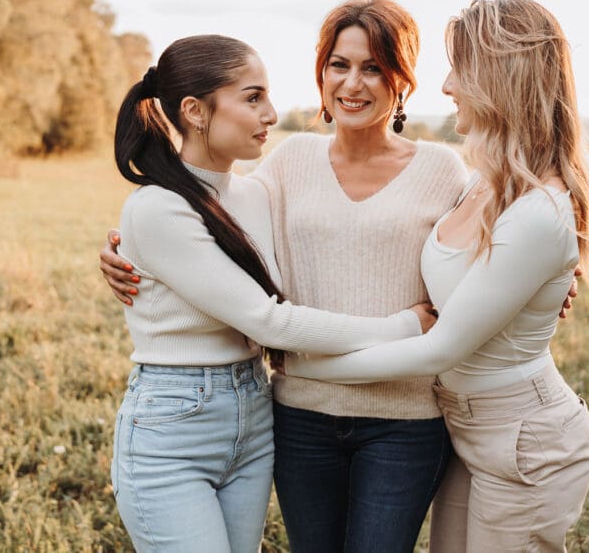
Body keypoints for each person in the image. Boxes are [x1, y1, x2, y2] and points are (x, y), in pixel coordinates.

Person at [101, 0, 579, 552]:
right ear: (322, 73)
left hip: (405, 420)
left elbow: (493, 254)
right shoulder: (286, 163)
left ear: (402, 79)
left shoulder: (444, 170)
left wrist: (549, 290)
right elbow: (208, 210)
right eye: (339, 64)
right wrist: (122, 248)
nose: (353, 83)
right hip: (299, 417)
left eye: (373, 66)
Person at [282, 0, 589, 552]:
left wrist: (309, 363)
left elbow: (439, 348)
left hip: (523, 436)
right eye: (339, 64)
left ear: (501, 80)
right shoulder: (486, 182)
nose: (447, 85)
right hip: (466, 426)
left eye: (460, 70)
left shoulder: (535, 208)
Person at [107, 33, 437, 553]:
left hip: (254, 415)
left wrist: (542, 273)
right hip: (175, 421)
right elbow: (267, 320)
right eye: (253, 97)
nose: (271, 113)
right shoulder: (154, 208)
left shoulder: (256, 192)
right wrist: (404, 326)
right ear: (195, 111)